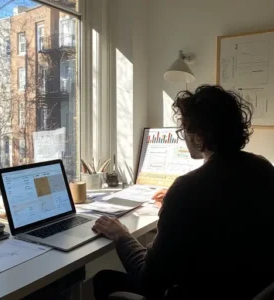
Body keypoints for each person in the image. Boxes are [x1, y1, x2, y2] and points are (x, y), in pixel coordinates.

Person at [92, 85, 274, 300]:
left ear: (198, 136)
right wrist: (175, 206)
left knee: (103, 279)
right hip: (250, 288)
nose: (184, 137)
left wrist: (121, 235)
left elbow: (148, 279)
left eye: (184, 130)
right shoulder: (263, 168)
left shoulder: (187, 190)